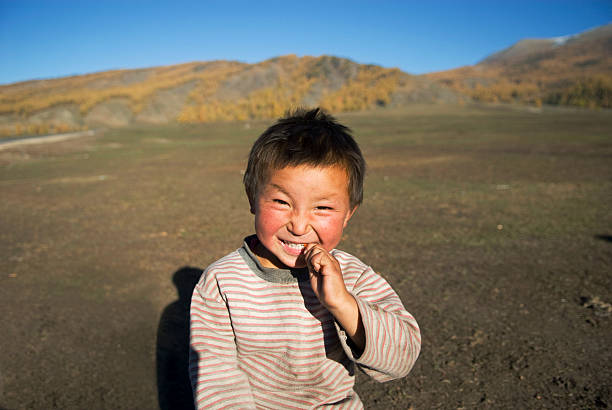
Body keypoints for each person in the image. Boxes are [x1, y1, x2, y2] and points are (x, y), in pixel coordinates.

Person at [189, 107, 420, 409]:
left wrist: (342, 303)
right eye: (281, 202)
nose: (298, 226)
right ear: (252, 199)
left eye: (322, 208)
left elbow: (402, 359)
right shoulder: (221, 283)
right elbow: (218, 382)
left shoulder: (353, 276)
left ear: (349, 214)